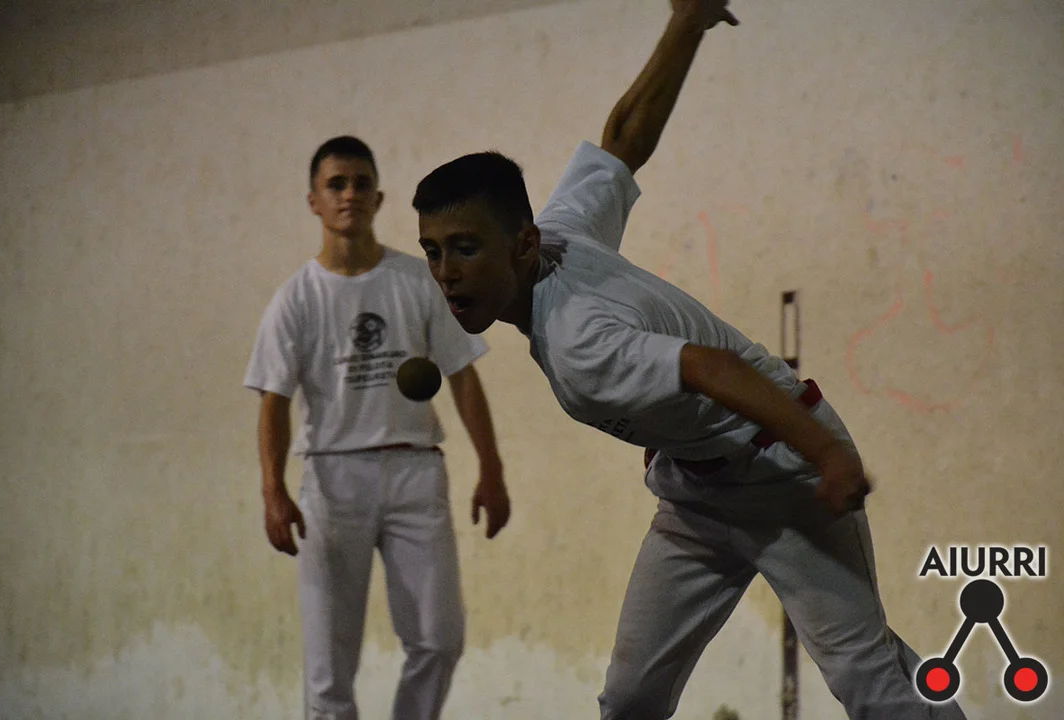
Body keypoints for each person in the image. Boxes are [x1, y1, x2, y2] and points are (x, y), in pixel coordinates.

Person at [408, 1, 967, 718]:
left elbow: (710, 368)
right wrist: (686, 23)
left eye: (465, 248)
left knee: (868, 681)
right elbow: (623, 141)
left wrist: (825, 452)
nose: (447, 273)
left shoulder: (578, 345)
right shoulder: (563, 236)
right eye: (433, 252)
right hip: (696, 493)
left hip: (784, 473)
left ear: (521, 243)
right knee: (632, 697)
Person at [244, 135, 510, 720]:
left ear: (379, 197)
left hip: (416, 472)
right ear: (313, 201)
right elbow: (273, 401)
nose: (350, 194)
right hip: (332, 481)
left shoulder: (418, 281)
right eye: (336, 184)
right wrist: (272, 490)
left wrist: (491, 469)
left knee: (440, 641)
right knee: (328, 670)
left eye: (361, 183)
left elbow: (463, 376)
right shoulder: (295, 299)